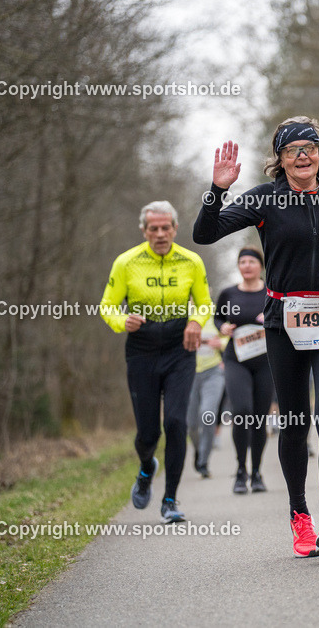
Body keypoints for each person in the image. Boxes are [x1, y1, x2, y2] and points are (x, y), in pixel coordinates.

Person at [194, 117, 319, 557]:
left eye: (308, 148)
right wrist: (217, 190)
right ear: (279, 158)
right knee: (295, 422)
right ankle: (300, 515)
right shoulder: (265, 200)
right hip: (283, 319)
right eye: (292, 150)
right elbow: (204, 233)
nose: (301, 156)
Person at [100, 200, 212, 523]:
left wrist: (195, 322)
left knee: (176, 423)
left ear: (175, 229)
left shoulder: (191, 262)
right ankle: (147, 465)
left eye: (166, 228)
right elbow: (107, 306)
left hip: (180, 347)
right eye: (154, 229)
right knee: (147, 434)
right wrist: (123, 321)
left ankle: (170, 499)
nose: (160, 234)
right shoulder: (126, 262)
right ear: (144, 231)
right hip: (142, 347)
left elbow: (205, 304)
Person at [215, 246, 275, 494]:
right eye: (243, 262)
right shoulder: (229, 293)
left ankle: (257, 472)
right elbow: (218, 317)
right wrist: (223, 328)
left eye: (252, 261)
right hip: (236, 359)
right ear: (239, 267)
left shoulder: (271, 292)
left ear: (260, 266)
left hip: (266, 361)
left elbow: (284, 316)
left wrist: (270, 319)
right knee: (241, 412)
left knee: (259, 419)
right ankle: (241, 471)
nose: (247, 266)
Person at [187, 316, 224, 479]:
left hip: (213, 372)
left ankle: (203, 461)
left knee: (207, 414)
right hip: (188, 373)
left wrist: (221, 344)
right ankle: (199, 449)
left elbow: (230, 336)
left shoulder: (216, 315)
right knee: (191, 424)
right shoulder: (183, 315)